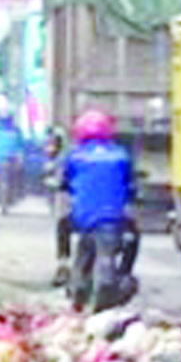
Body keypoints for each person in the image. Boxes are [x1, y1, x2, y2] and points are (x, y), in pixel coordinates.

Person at [59, 108, 137, 294]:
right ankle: (125, 270)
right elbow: (130, 184)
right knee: (134, 236)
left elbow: (64, 181)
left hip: (83, 218)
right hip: (114, 219)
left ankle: (62, 260)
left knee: (62, 224)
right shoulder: (121, 155)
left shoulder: (75, 156)